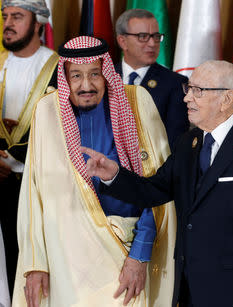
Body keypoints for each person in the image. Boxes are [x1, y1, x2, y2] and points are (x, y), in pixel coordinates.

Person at [81, 60, 233, 307]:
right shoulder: (188, 142)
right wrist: (114, 175)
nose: (186, 98)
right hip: (189, 291)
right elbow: (154, 191)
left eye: (198, 91)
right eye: (188, 89)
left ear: (227, 99)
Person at [12, 36, 176, 307]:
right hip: (63, 259)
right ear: (64, 77)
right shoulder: (46, 111)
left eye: (95, 75)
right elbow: (33, 192)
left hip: (122, 254)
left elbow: (157, 189)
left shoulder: (136, 103)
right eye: (75, 76)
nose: (85, 85)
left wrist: (140, 254)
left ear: (107, 74)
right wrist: (35, 262)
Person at [0, 0, 58, 294]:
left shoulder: (60, 68)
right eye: (5, 16)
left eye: (17, 16)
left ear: (38, 23)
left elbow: (60, 128)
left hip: (35, 185)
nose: (8, 23)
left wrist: (8, 161)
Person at [115, 8, 189, 149]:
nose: (152, 44)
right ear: (122, 41)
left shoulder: (175, 83)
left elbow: (175, 141)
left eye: (156, 36)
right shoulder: (104, 77)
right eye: (143, 36)